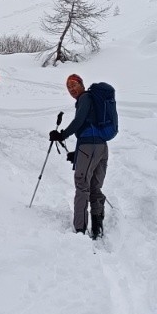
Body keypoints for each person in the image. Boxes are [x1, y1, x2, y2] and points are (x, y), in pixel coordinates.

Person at [49, 74, 117, 239]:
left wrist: (62, 135)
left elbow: (79, 121)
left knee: (82, 186)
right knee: (95, 187)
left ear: (81, 84)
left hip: (89, 147)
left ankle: (80, 230)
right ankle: (97, 228)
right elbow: (90, 128)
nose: (71, 89)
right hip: (101, 147)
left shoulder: (85, 98)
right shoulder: (92, 100)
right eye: (68, 87)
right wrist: (78, 154)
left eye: (74, 85)